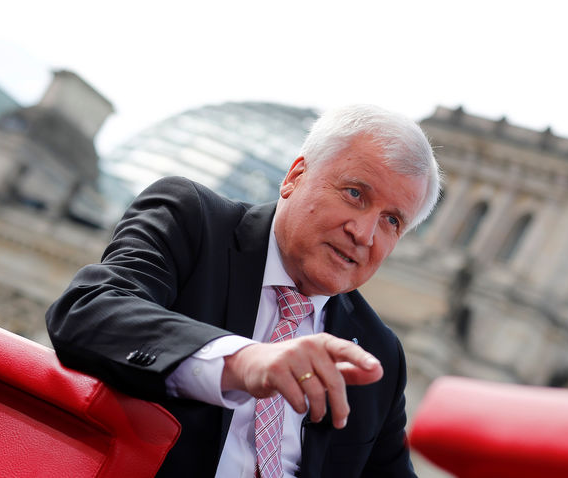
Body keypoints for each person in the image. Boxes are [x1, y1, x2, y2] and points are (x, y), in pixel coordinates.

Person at [45, 104, 441, 478]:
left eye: (391, 221)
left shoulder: (378, 352)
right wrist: (243, 362)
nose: (364, 234)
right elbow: (88, 312)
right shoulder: (192, 221)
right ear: (295, 177)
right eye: (355, 194)